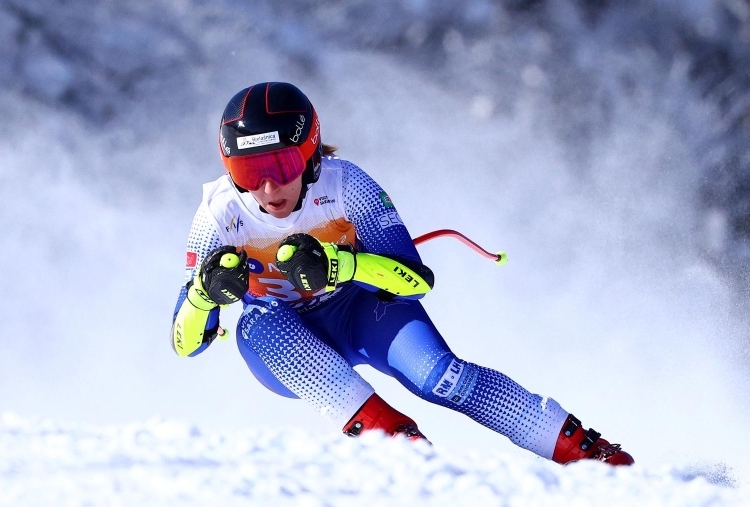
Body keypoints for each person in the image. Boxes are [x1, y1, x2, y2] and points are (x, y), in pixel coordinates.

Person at [170, 81, 634, 466]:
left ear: (310, 153)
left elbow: (415, 280)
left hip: (359, 312)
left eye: (282, 165)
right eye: (248, 171)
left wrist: (338, 266)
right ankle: (399, 444)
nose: (268, 188)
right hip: (284, 336)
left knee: (443, 379)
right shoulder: (217, 214)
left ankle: (583, 450)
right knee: (259, 321)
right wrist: (203, 296)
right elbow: (183, 343)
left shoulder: (345, 184)